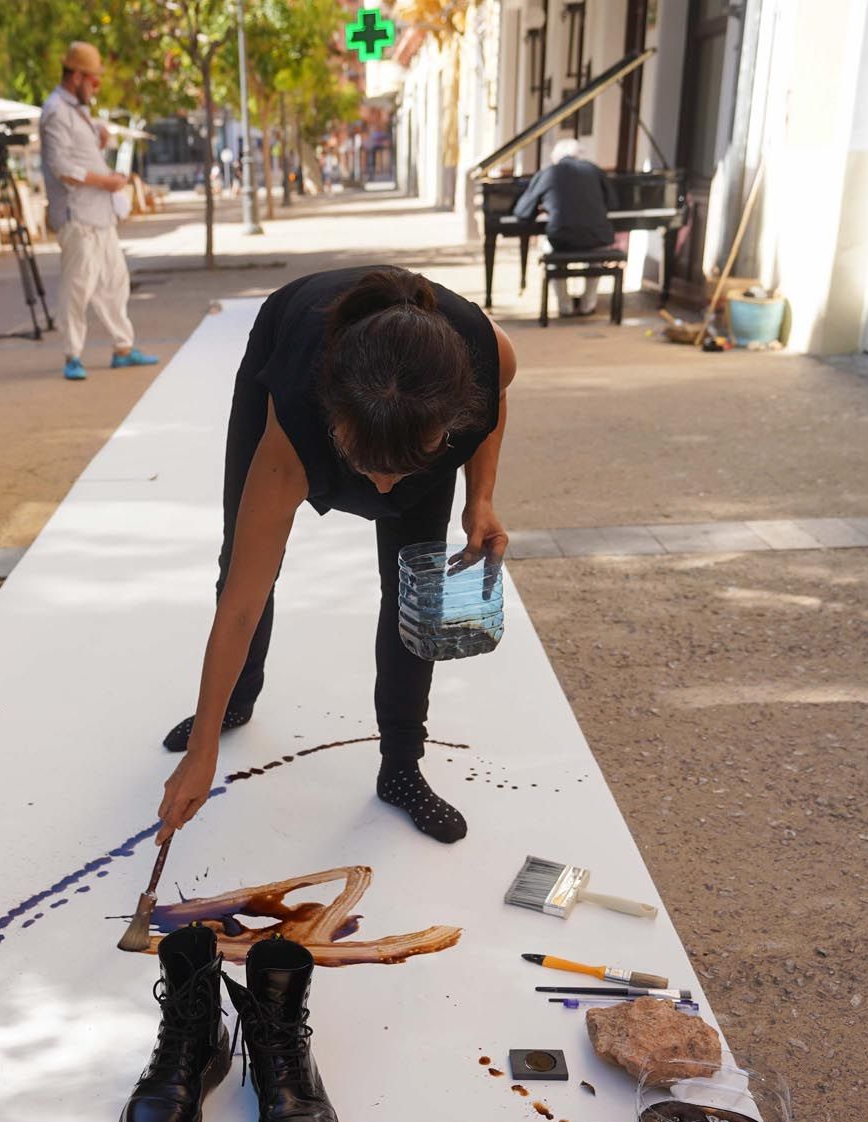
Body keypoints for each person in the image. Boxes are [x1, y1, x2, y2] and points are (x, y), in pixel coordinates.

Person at [156, 266, 518, 847]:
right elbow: (241, 605)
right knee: (244, 562)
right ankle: (235, 701)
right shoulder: (294, 419)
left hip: (407, 414)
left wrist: (480, 500)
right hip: (293, 350)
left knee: (412, 590)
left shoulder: (485, 355)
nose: (379, 491)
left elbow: (495, 398)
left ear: (448, 424)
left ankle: (401, 766)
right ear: (334, 426)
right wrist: (202, 751)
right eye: (365, 468)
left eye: (399, 472)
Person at [40, 41, 157, 381]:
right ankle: (72, 355)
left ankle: (123, 347)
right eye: (92, 80)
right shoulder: (56, 111)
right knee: (78, 288)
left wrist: (98, 138)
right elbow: (61, 165)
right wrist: (104, 181)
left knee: (114, 282)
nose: (97, 86)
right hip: (78, 216)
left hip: (99, 214)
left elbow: (80, 153)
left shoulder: (77, 109)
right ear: (75, 76)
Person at [511, 137, 617, 316]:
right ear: (580, 156)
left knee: (549, 247)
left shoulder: (549, 172)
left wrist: (543, 207)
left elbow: (522, 211)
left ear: (556, 157)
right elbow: (613, 203)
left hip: (562, 239)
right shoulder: (595, 170)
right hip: (596, 236)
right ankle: (587, 305)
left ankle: (565, 306)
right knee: (597, 251)